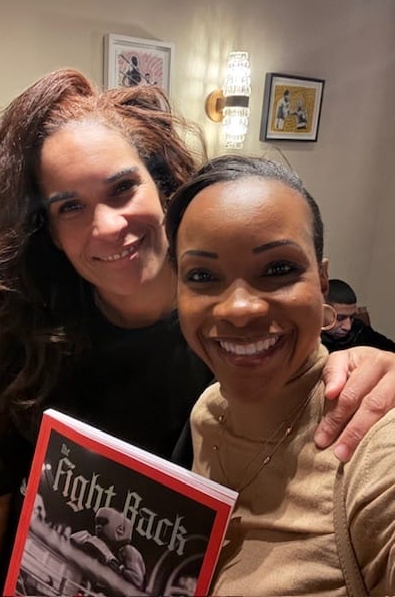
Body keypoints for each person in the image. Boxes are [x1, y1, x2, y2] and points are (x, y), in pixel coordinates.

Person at [0, 69, 395, 596]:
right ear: (48, 232)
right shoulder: (17, 335)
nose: (107, 226)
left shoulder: (237, 337)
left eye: (122, 188)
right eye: (70, 206)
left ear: (163, 189)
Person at [165, 154, 395, 595]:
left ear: (322, 281)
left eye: (278, 269)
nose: (239, 309)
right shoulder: (209, 412)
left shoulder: (371, 449)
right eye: (202, 275)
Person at [322, 278, 395, 353]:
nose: (348, 327)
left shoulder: (359, 331)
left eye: (351, 317)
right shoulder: (314, 343)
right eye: (339, 318)